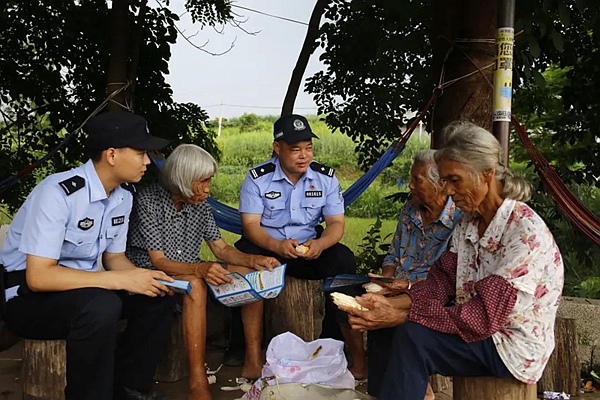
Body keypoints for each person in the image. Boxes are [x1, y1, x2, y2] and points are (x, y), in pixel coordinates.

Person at [337, 121, 564, 400]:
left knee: (413, 337)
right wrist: (388, 304)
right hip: (481, 331)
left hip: (510, 345)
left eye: (455, 180)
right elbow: (442, 281)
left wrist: (402, 313)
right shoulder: (469, 222)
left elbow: (483, 317)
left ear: (487, 174)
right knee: (390, 329)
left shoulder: (523, 231)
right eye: (444, 181)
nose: (448, 190)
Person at [0, 111, 177, 400]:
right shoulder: (57, 194)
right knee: (102, 305)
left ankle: (129, 386)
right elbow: (39, 277)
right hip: (27, 298)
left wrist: (142, 277)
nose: (148, 161)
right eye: (141, 152)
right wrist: (121, 280)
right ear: (111, 155)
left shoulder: (123, 196)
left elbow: (114, 258)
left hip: (88, 289)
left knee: (157, 296)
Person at [125, 144, 280, 400]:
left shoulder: (200, 203)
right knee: (195, 284)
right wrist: (200, 269)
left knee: (245, 270)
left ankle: (253, 358)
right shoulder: (148, 201)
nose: (208, 188)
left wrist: (254, 259)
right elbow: (159, 260)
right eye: (203, 181)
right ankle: (198, 381)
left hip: (188, 268)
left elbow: (220, 248)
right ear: (183, 179)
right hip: (151, 272)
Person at [233, 114, 367, 379]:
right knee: (243, 260)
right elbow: (250, 226)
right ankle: (250, 354)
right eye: (296, 149)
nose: (304, 156)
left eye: (308, 148)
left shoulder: (325, 177)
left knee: (344, 261)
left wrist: (320, 244)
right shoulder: (258, 179)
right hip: (268, 245)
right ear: (277, 148)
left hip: (309, 247)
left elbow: (336, 224)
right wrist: (276, 244)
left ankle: (346, 350)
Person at [366, 149, 462, 398]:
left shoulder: (460, 220)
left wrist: (406, 287)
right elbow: (392, 256)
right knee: (369, 308)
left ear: (440, 184)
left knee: (391, 316)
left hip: (432, 292)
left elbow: (450, 278)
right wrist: (386, 280)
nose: (410, 185)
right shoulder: (410, 210)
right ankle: (381, 388)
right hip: (398, 286)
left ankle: (421, 390)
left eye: (417, 180)